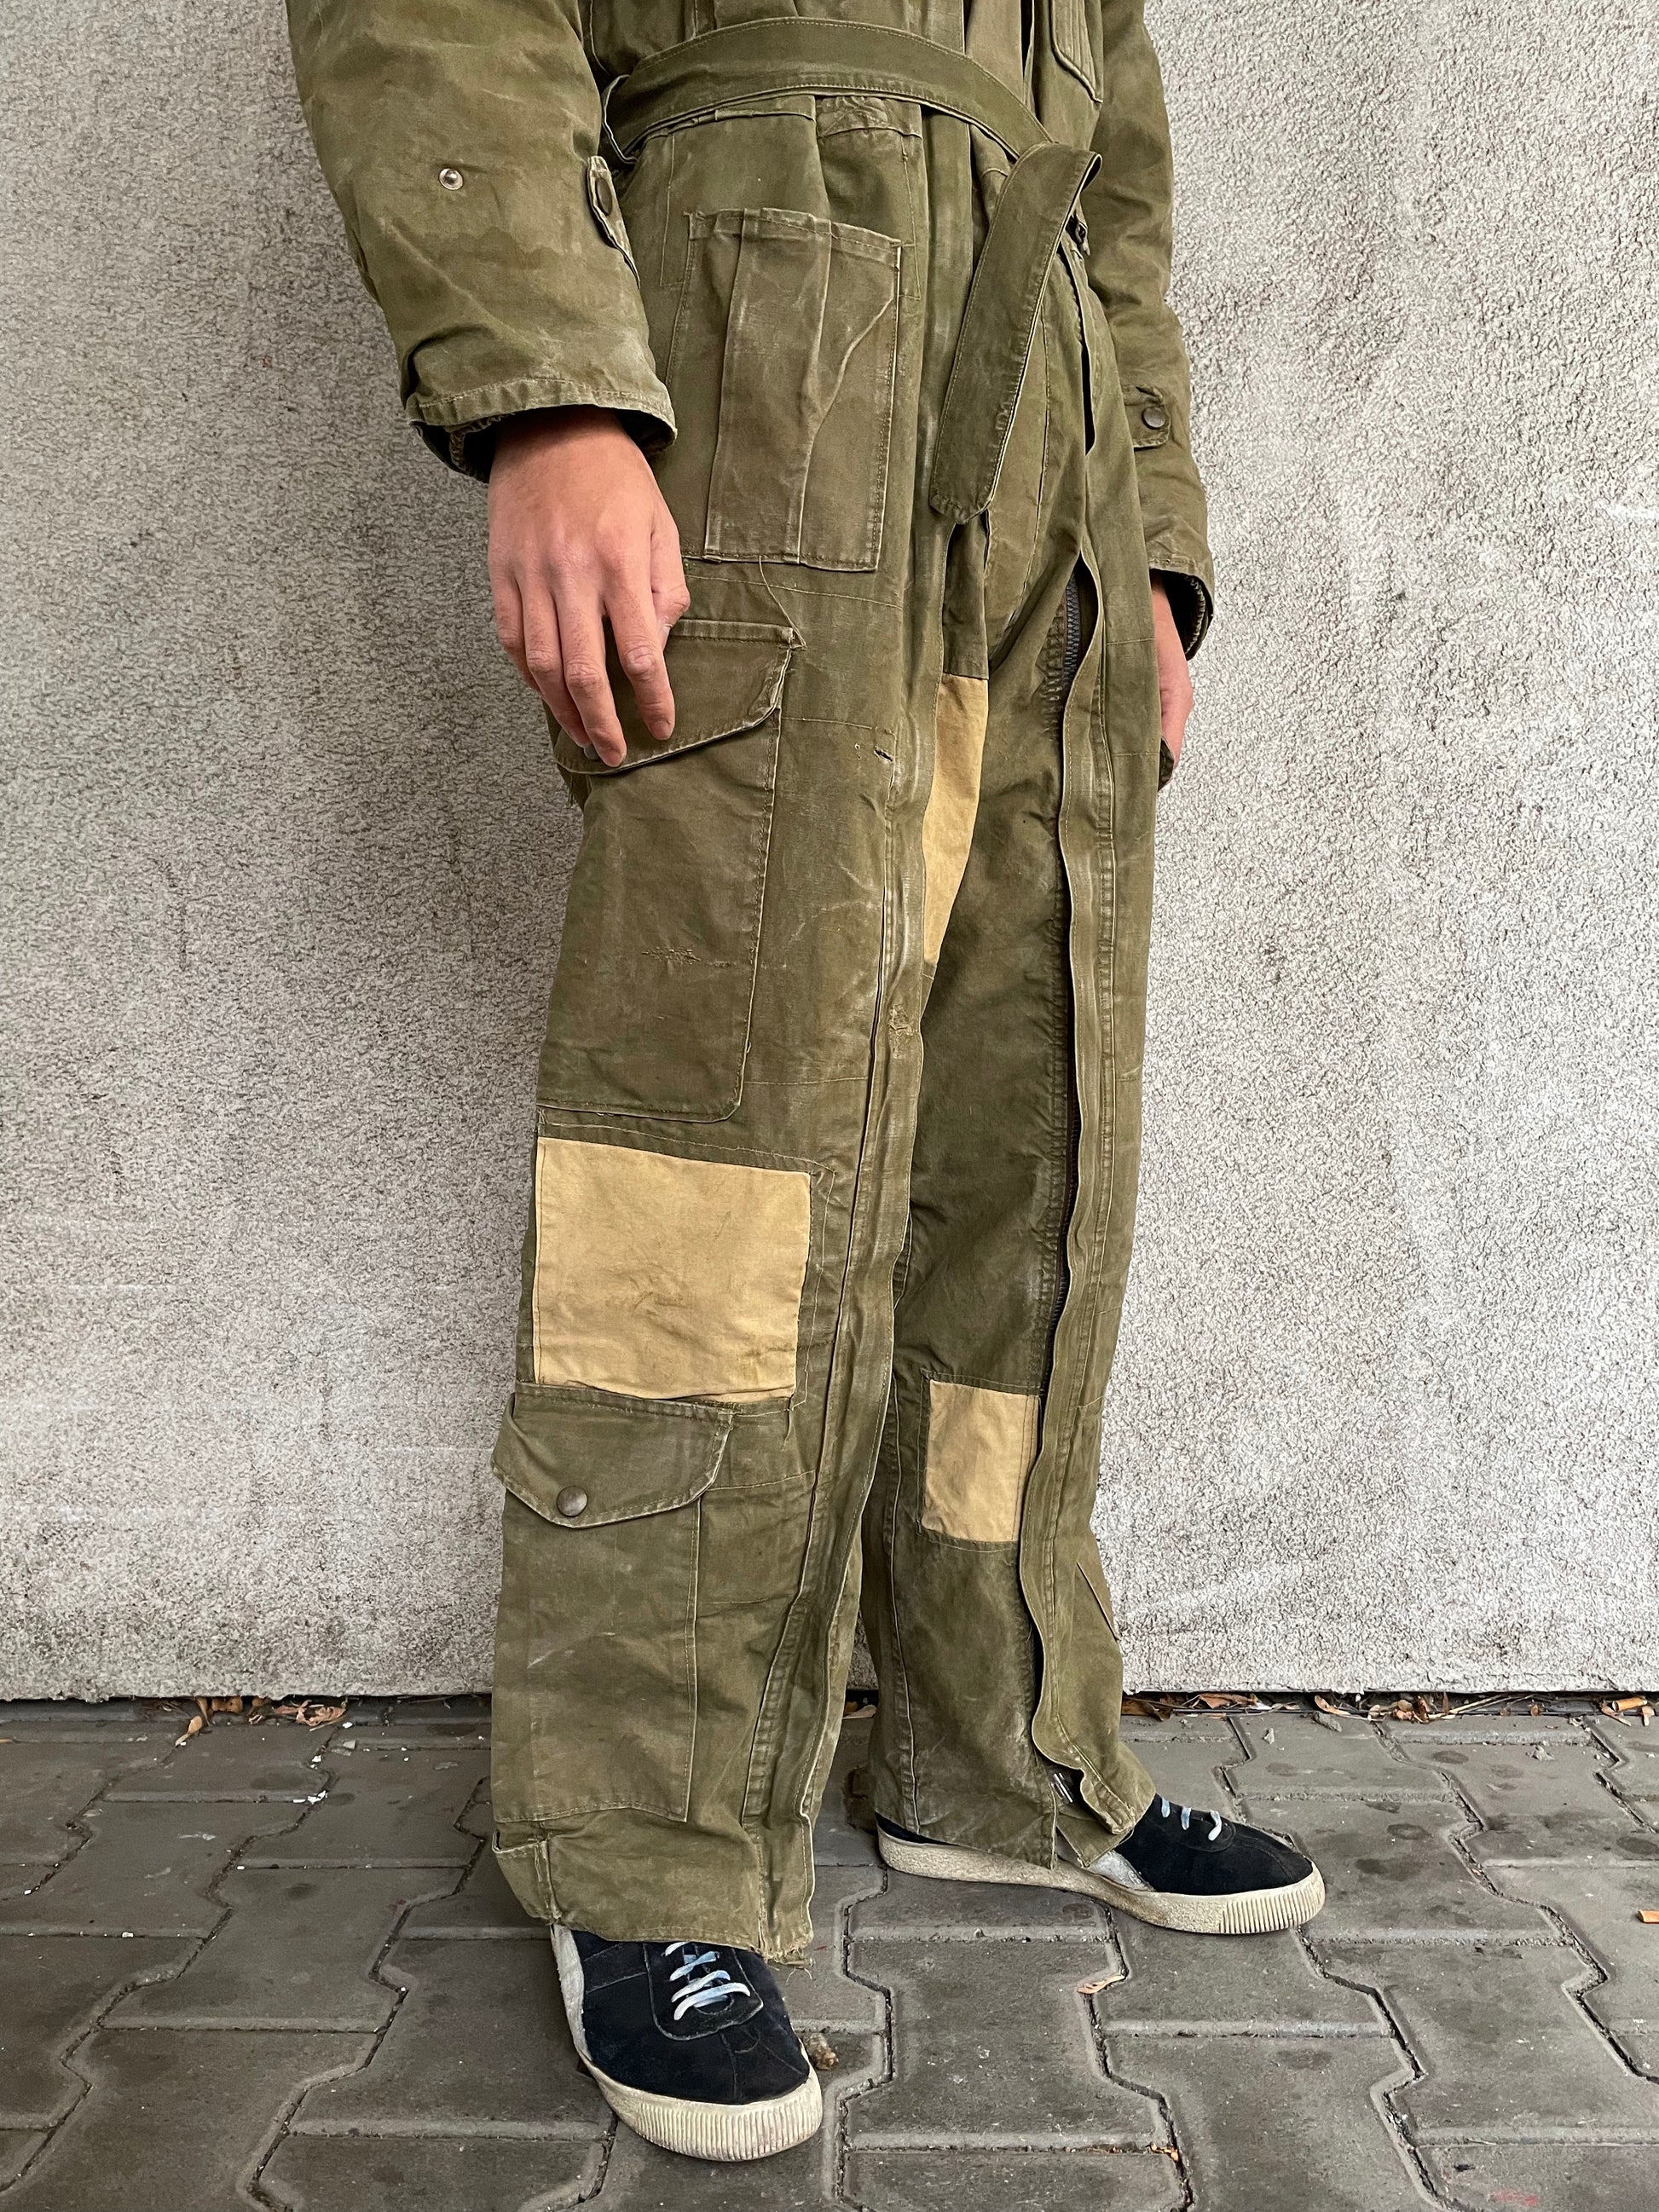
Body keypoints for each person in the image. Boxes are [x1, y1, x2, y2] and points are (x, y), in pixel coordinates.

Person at [289, 0, 1325, 2163]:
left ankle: (996, 1741)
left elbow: (1116, 167)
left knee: (1020, 1150)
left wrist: (1152, 532)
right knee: (718, 1157)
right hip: (775, 345)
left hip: (1049, 433)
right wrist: (547, 388)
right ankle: (649, 1841)